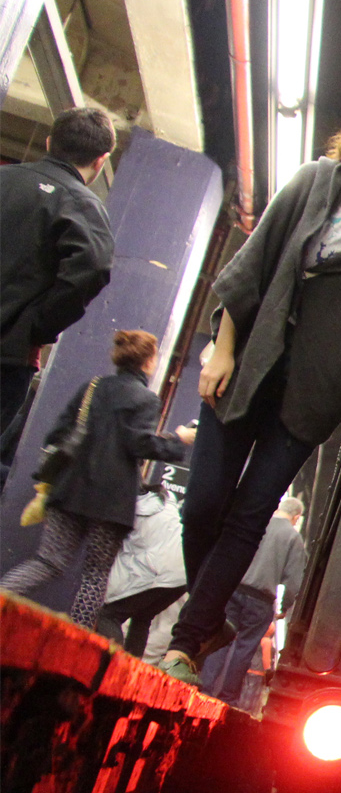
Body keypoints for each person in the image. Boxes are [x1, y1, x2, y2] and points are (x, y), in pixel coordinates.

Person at [159, 87, 341, 684]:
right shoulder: (315, 181)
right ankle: (208, 617)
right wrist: (222, 348)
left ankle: (185, 644)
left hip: (316, 388)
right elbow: (252, 266)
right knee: (204, 503)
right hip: (249, 361)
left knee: (250, 514)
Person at [0, 331, 194, 630]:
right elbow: (139, 444)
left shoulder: (92, 387)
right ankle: (76, 641)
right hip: (111, 503)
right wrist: (178, 440)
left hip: (69, 490)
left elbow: (58, 434)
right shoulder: (145, 399)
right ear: (148, 362)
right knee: (95, 575)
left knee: (48, 562)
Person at [0, 108, 117, 470]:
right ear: (100, 161)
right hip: (7, 355)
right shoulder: (82, 205)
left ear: (50, 142)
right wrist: (36, 328)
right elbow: (93, 266)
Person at [198, 496, 306, 706]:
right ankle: (227, 697)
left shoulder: (259, 523)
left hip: (234, 589)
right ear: (296, 517)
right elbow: (293, 581)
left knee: (220, 639)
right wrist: (284, 606)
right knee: (245, 647)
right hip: (261, 600)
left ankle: (205, 688)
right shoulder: (293, 538)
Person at [97, 484, 188, 659]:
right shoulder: (165, 500)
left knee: (108, 615)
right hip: (183, 574)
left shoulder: (130, 509)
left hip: (161, 568)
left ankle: (113, 666)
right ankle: (131, 670)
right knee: (143, 617)